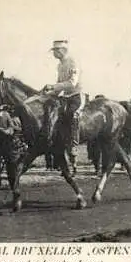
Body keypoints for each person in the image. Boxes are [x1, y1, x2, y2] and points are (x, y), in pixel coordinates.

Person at [42, 40, 83, 175]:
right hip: (65, 97)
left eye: (56, 50)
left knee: (71, 117)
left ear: (63, 50)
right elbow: (59, 85)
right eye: (54, 51)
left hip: (76, 96)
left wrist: (53, 87)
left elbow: (72, 83)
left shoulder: (73, 62)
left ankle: (73, 148)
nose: (54, 53)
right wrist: (47, 93)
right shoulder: (60, 65)